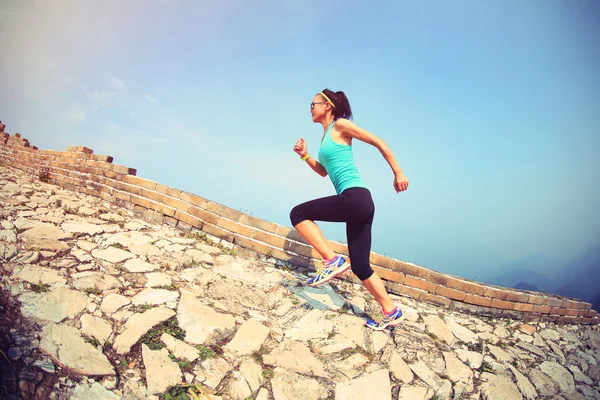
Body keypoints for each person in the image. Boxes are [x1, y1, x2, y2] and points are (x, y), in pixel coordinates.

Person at [290, 89, 409, 330]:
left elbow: (378, 141)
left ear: (328, 106)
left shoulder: (340, 125)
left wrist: (398, 172)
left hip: (355, 197)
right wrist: (305, 156)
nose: (310, 108)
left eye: (313, 104)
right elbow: (324, 171)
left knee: (298, 214)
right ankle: (391, 310)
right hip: (360, 203)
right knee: (360, 266)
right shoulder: (326, 136)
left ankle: (331, 260)